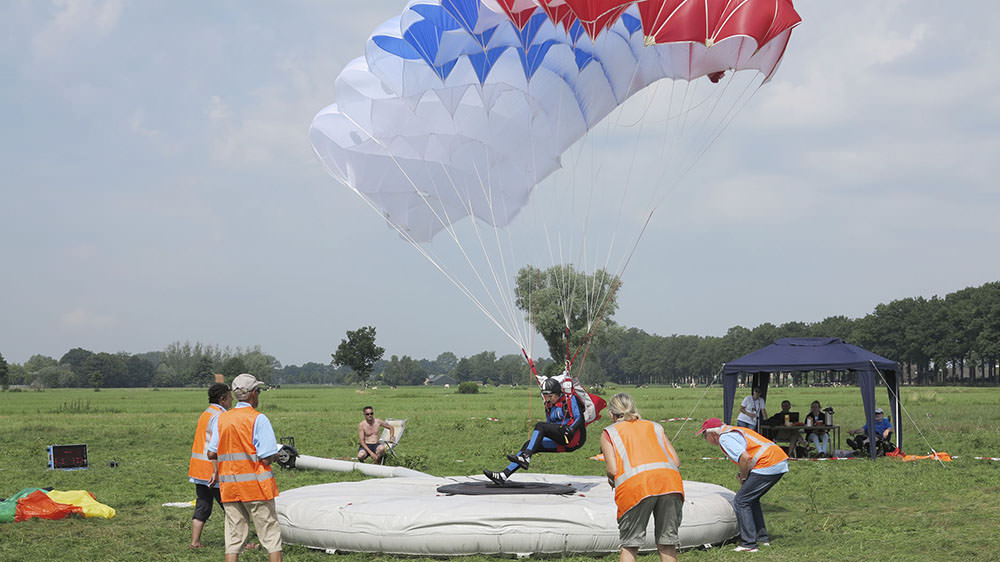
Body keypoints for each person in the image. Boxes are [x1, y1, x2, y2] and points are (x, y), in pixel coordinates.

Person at [206, 373, 282, 562]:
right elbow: (265, 458)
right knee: (271, 538)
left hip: (230, 488)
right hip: (256, 488)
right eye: (259, 391)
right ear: (253, 394)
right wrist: (275, 455)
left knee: (233, 541)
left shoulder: (221, 419)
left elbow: (211, 453)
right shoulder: (259, 419)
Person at [600, 393, 683, 562]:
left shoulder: (609, 432)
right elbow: (676, 461)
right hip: (670, 484)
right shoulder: (655, 427)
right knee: (667, 544)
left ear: (611, 414)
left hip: (636, 489)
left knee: (630, 545)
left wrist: (611, 480)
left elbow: (613, 469)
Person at [697, 417, 788, 553]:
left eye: (705, 436)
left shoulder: (724, 438)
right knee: (751, 499)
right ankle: (761, 538)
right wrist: (745, 475)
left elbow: (744, 458)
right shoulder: (734, 430)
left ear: (713, 434)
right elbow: (749, 456)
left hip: (768, 464)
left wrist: (745, 478)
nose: (706, 440)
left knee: (741, 501)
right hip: (776, 461)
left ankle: (749, 543)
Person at [483, 376, 586, 485]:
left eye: (550, 396)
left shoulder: (569, 399)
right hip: (561, 441)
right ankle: (503, 475)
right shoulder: (549, 406)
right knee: (529, 444)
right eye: (546, 396)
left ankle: (526, 457)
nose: (548, 399)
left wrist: (572, 429)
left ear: (557, 393)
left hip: (573, 438)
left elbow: (579, 417)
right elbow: (550, 426)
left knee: (540, 426)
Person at [187, 382, 232, 549]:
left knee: (203, 505)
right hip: (214, 472)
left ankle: (195, 542)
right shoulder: (220, 416)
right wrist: (216, 470)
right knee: (232, 508)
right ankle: (240, 542)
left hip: (199, 471)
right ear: (222, 399)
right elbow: (216, 445)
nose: (231, 402)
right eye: (229, 398)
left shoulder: (206, 413)